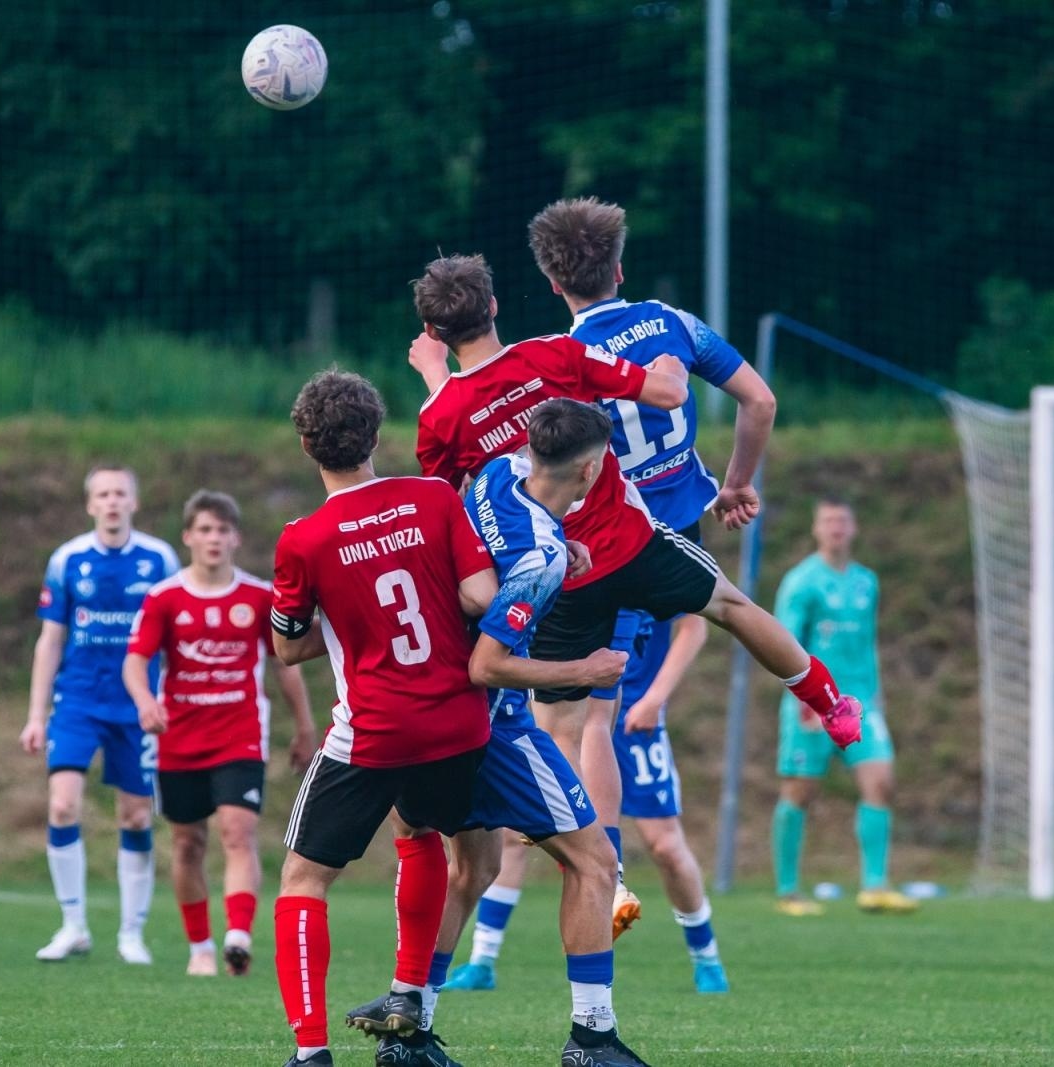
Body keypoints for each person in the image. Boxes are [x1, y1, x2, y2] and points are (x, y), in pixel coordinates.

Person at [409, 253, 864, 937]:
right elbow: (661, 391)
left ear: (433, 330)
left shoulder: (442, 416)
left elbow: (447, 501)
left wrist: (436, 381)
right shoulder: (556, 354)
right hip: (630, 540)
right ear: (498, 304)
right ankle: (829, 702)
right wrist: (674, 367)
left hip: (553, 570)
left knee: (577, 723)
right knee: (733, 607)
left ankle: (601, 865)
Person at [442, 194, 770, 988]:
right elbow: (757, 401)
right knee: (603, 709)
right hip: (676, 533)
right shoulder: (671, 322)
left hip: (592, 547)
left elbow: (515, 446)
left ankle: (606, 879)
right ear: (619, 266)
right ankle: (558, 910)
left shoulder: (556, 360)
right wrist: (734, 485)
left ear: (553, 282)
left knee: (568, 720)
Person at [353, 399, 654, 1067]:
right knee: (594, 862)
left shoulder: (493, 475)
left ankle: (409, 1025)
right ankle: (592, 1039)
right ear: (586, 468)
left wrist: (556, 542)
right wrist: (586, 665)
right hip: (490, 724)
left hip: (416, 706)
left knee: (476, 866)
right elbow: (486, 662)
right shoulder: (539, 556)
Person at [267, 370, 498, 1067]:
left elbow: (286, 644)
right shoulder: (433, 497)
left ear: (308, 443)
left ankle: (311, 1053)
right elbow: (478, 596)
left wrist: (347, 619)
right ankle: (406, 999)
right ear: (375, 434)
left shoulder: (303, 539)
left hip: (376, 728)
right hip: (459, 724)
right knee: (420, 830)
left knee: (303, 879)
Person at [445, 613, 730, 998]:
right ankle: (482, 959)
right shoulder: (563, 573)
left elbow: (696, 623)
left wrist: (656, 697)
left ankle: (706, 957)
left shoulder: (646, 565)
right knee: (514, 836)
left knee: (664, 844)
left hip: (635, 716)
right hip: (570, 704)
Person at [123, 490, 316, 976]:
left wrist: (305, 727)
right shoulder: (164, 598)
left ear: (236, 538)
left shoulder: (257, 597)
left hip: (240, 734)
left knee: (238, 830)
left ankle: (237, 936)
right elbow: (135, 660)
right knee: (188, 843)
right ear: (188, 537)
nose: (214, 538)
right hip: (178, 738)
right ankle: (200, 948)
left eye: (223, 530)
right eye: (205, 530)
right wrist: (146, 702)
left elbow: (285, 667)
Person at [20, 465, 179, 965]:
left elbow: (176, 636)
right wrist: (35, 714)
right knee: (63, 806)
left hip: (138, 705)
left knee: (134, 815)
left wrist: (172, 698)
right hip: (79, 700)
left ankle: (131, 933)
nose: (112, 502)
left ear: (134, 502)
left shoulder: (159, 559)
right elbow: (50, 640)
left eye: (121, 494)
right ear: (90, 504)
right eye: (103, 495)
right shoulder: (67, 560)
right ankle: (73, 926)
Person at [773, 498, 918, 916]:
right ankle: (788, 891)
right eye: (828, 521)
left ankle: (874, 886)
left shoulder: (866, 582)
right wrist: (803, 701)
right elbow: (782, 644)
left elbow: (868, 645)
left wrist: (877, 696)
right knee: (800, 791)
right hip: (814, 703)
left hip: (860, 705)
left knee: (881, 783)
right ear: (816, 529)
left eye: (843, 521)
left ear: (853, 529)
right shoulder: (802, 581)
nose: (836, 528)